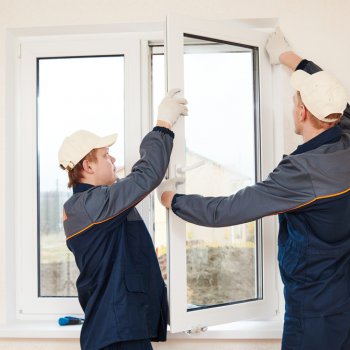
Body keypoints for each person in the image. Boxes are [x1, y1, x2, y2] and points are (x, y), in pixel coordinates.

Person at [158, 29, 350, 350]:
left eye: (295, 102)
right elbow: (329, 91)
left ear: (302, 112)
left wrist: (173, 200)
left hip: (313, 314)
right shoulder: (345, 138)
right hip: (343, 300)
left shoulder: (301, 173)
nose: (293, 107)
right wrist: (289, 57)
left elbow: (226, 210)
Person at [58, 89, 188, 350]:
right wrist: (163, 125)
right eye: (106, 155)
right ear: (88, 166)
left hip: (118, 332)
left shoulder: (93, 206)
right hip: (116, 337)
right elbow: (143, 177)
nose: (113, 160)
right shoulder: (90, 205)